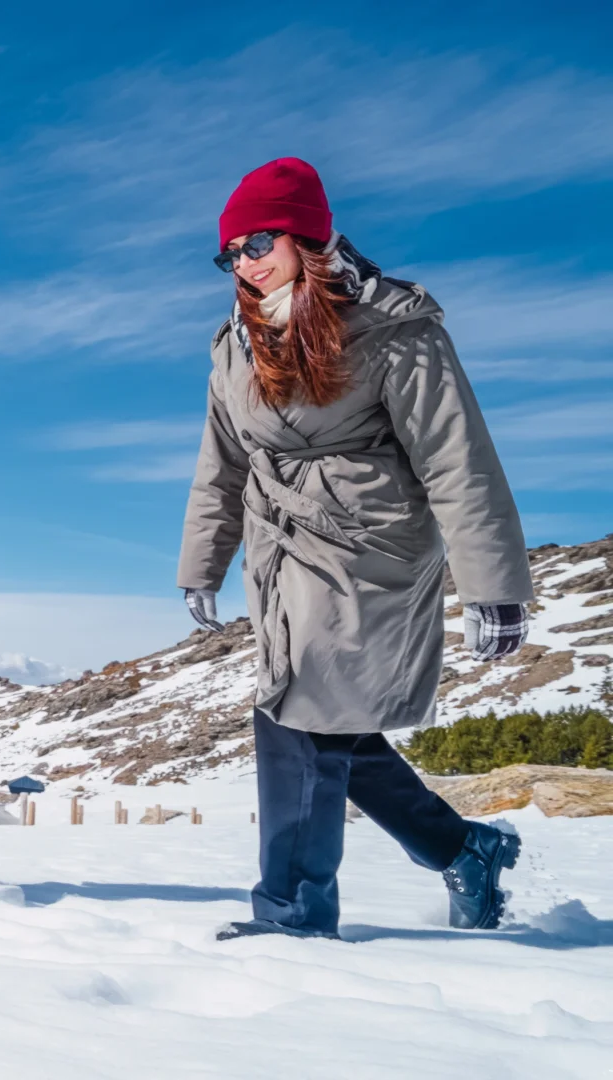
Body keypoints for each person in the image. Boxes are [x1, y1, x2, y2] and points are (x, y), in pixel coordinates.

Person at [178, 158, 533, 940]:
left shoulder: (392, 327)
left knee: (297, 710)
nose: (243, 261)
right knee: (317, 716)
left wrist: (494, 585)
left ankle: (293, 914)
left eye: (258, 240)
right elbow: (222, 462)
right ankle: (462, 847)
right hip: (282, 549)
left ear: (308, 235)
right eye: (230, 251)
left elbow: (455, 456)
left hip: (370, 548)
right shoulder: (235, 344)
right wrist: (203, 565)